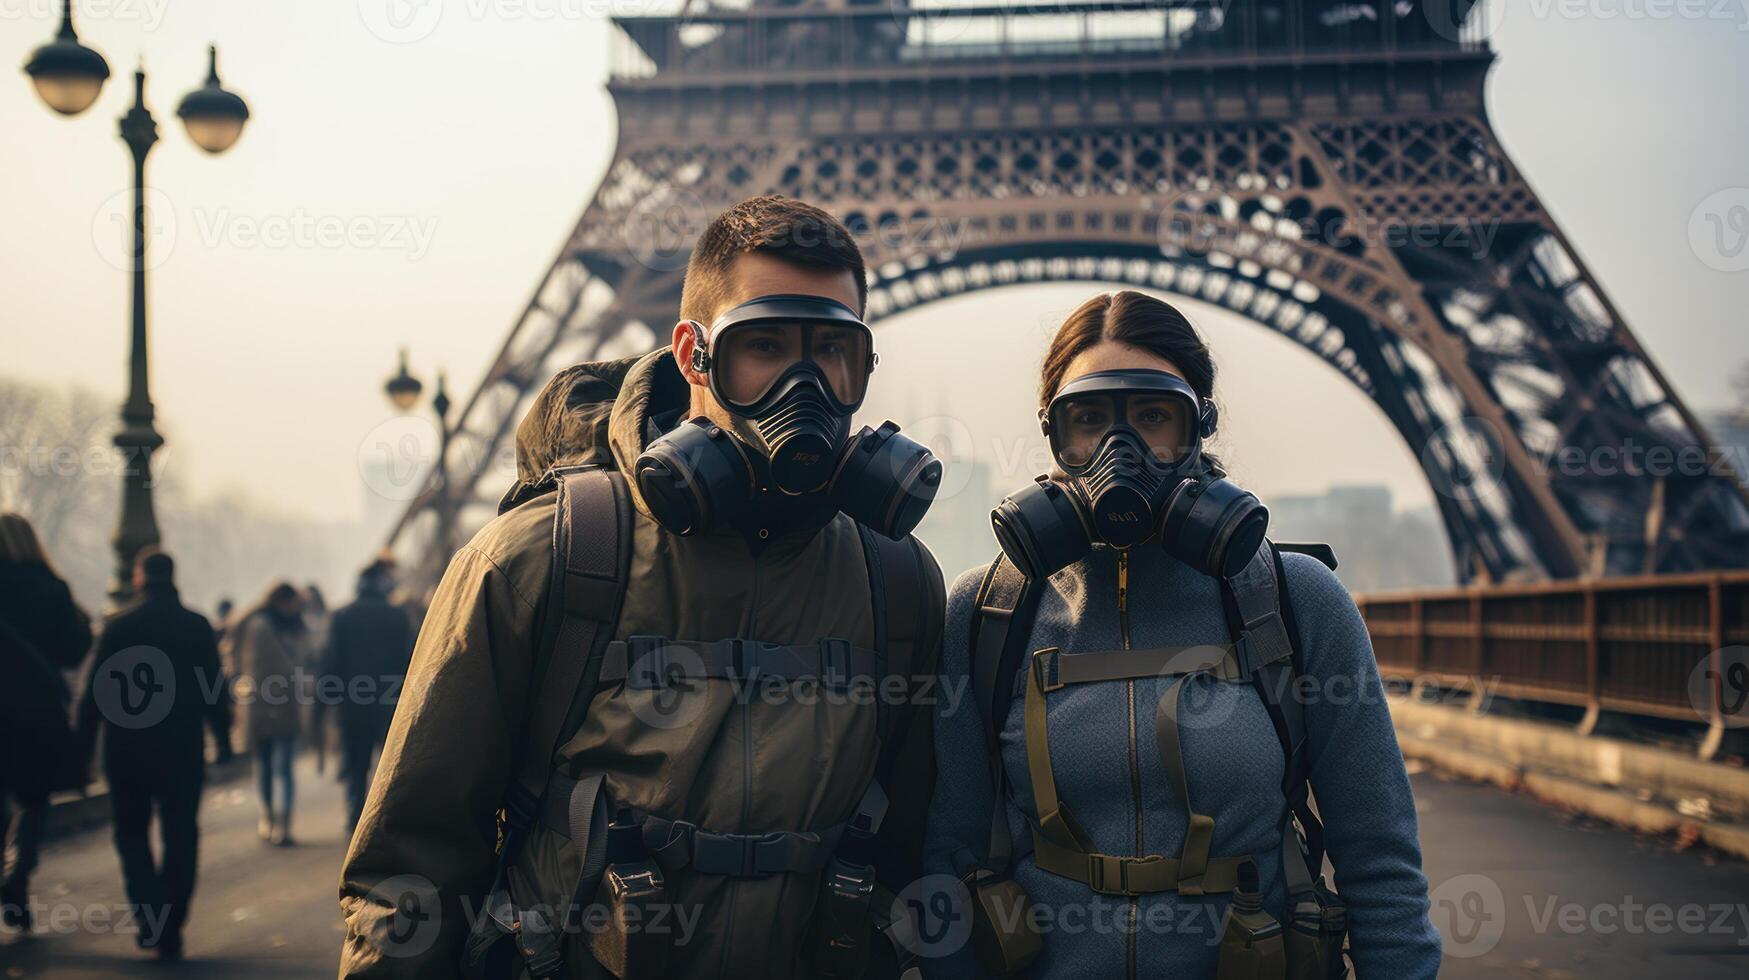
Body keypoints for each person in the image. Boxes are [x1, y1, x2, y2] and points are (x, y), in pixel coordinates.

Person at [339, 195, 947, 979]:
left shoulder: (897, 579)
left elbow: (915, 851)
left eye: (833, 350)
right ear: (693, 353)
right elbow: (411, 861)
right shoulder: (537, 558)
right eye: (762, 344)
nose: (807, 384)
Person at [921, 291, 1441, 977]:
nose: (1121, 451)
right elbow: (949, 858)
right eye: (1089, 422)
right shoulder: (987, 610)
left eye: (1152, 417)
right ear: (1051, 432)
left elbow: (1380, 862)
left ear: (1199, 426)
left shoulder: (1294, 600)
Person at [76, 547, 232, 960]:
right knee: (181, 832)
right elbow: (213, 688)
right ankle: (173, 920)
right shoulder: (197, 626)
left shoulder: (117, 626)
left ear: (140, 578)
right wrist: (225, 740)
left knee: (131, 832)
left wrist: (80, 750)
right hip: (182, 747)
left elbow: (92, 692)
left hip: (126, 750)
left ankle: (151, 914)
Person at [0, 512, 91, 933]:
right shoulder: (51, 587)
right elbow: (73, 652)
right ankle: (18, 872)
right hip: (35, 710)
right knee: (34, 799)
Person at [318, 560, 413, 833]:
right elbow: (411, 658)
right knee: (391, 760)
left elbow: (331, 660)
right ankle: (389, 816)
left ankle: (355, 816)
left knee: (356, 763)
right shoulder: (397, 615)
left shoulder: (342, 615)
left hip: (352, 703)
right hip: (390, 700)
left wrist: (326, 700)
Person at [226, 582, 312, 846]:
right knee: (274, 767)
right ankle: (277, 822)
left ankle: (274, 821)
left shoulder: (258, 625)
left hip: (263, 705)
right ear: (280, 601)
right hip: (273, 703)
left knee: (271, 767)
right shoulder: (264, 627)